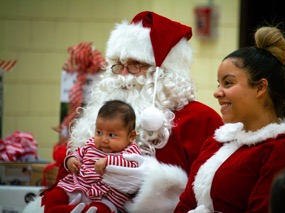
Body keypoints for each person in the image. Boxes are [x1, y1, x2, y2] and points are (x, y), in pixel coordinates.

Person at [25, 11, 223, 213]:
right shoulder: (99, 114)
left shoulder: (200, 119)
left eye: (136, 64)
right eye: (119, 65)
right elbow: (66, 177)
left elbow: (213, 194)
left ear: (165, 72)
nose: (124, 74)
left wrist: (156, 186)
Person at [174, 25, 285, 213]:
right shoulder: (216, 142)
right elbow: (186, 203)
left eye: (228, 83)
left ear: (260, 87)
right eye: (219, 84)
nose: (217, 92)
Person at [44, 100, 141, 213]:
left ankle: (65, 210)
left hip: (105, 197)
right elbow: (78, 153)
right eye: (99, 132)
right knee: (54, 195)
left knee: (101, 210)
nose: (104, 139)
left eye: (112, 135)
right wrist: (71, 160)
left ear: (131, 136)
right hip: (79, 187)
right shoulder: (91, 144)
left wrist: (108, 161)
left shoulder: (131, 150)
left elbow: (133, 165)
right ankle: (62, 209)